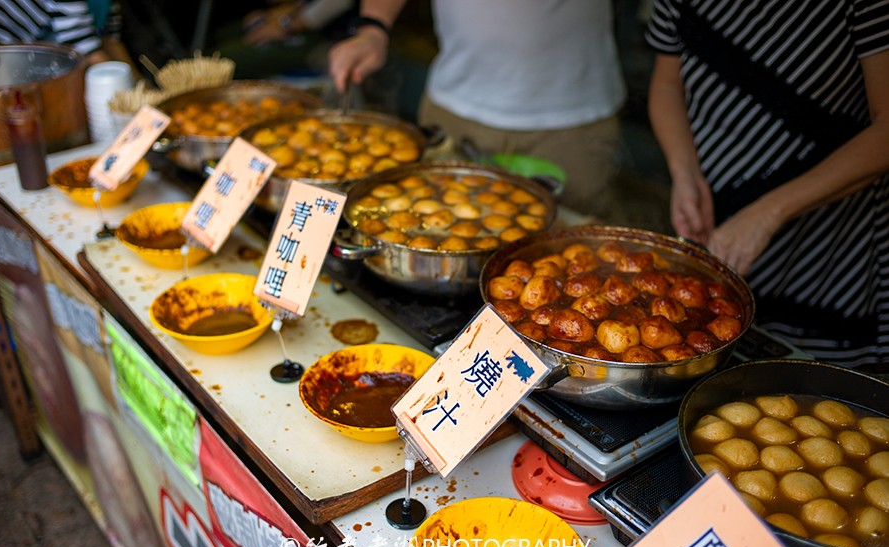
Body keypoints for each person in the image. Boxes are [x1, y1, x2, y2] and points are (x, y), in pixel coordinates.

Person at [646, 0, 889, 369]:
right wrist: (685, 173)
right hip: (714, 208)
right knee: (705, 345)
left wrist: (767, 214)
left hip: (829, 238)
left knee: (813, 382)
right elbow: (666, 83)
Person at [328, 0, 627, 219]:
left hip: (572, 120)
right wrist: (374, 27)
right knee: (430, 225)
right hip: (456, 107)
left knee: (571, 247)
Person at [214, 0, 355, 79]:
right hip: (300, 19)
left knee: (224, 58)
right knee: (223, 34)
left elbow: (338, 3)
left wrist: (285, 25)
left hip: (328, 38)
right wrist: (278, 12)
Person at [0, 0, 130, 65]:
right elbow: (88, 51)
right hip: (4, 51)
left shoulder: (108, 4)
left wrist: (139, 84)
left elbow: (110, 40)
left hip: (49, 40)